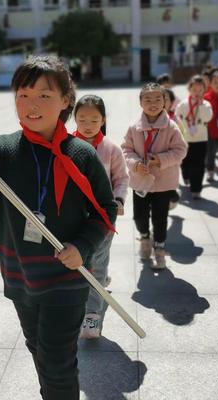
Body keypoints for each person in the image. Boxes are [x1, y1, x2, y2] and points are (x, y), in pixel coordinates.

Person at [0, 56, 117, 400]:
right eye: (23, 95)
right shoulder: (2, 150)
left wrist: (83, 247)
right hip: (21, 277)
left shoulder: (81, 155)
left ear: (66, 100)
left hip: (67, 280)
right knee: (39, 349)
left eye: (43, 96)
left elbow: (105, 212)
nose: (31, 105)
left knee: (55, 361)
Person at [72, 94, 128, 340]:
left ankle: (92, 314)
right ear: (74, 118)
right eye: (82, 118)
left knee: (95, 262)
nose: (87, 124)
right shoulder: (64, 146)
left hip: (103, 218)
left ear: (103, 119)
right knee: (77, 261)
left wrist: (119, 200)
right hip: (72, 217)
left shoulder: (111, 148)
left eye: (94, 119)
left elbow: (122, 178)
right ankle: (86, 293)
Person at [122, 82, 187, 270]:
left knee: (160, 217)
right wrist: (135, 164)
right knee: (139, 216)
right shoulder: (134, 127)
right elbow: (126, 150)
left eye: (158, 99)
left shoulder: (172, 127)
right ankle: (144, 237)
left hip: (164, 182)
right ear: (140, 103)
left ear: (165, 102)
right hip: (141, 181)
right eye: (148, 99)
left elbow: (180, 151)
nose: (153, 103)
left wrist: (161, 160)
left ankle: (159, 248)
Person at [175, 75, 213, 199]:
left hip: (201, 139)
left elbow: (208, 117)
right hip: (185, 138)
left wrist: (201, 106)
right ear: (189, 89)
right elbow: (176, 116)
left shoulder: (206, 104)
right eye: (194, 89)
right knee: (185, 162)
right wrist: (180, 125)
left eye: (200, 90)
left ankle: (196, 189)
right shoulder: (183, 104)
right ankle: (186, 175)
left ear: (204, 90)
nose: (197, 93)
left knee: (199, 164)